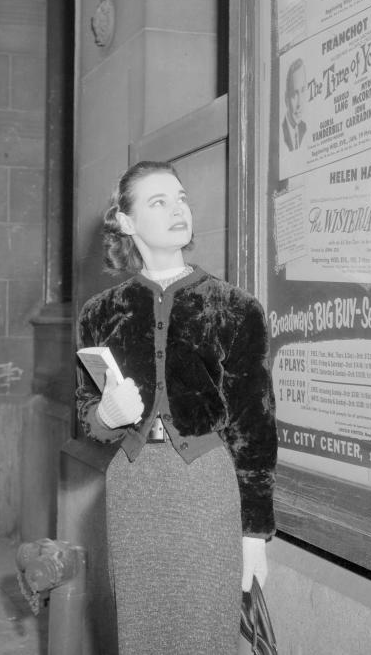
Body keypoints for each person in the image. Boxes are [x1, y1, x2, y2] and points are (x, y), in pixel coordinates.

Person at [75, 161, 278, 654]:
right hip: (135, 486)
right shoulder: (100, 313)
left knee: (207, 634)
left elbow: (254, 427)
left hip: (206, 487)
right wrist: (107, 416)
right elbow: (86, 418)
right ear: (125, 221)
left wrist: (254, 531)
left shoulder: (235, 308)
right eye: (158, 202)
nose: (177, 210)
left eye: (181, 199)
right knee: (144, 635)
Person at [282, 57, 307, 151]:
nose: (299, 104)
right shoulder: (281, 134)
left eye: (303, 90)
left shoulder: (305, 129)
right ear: (286, 99)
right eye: (294, 94)